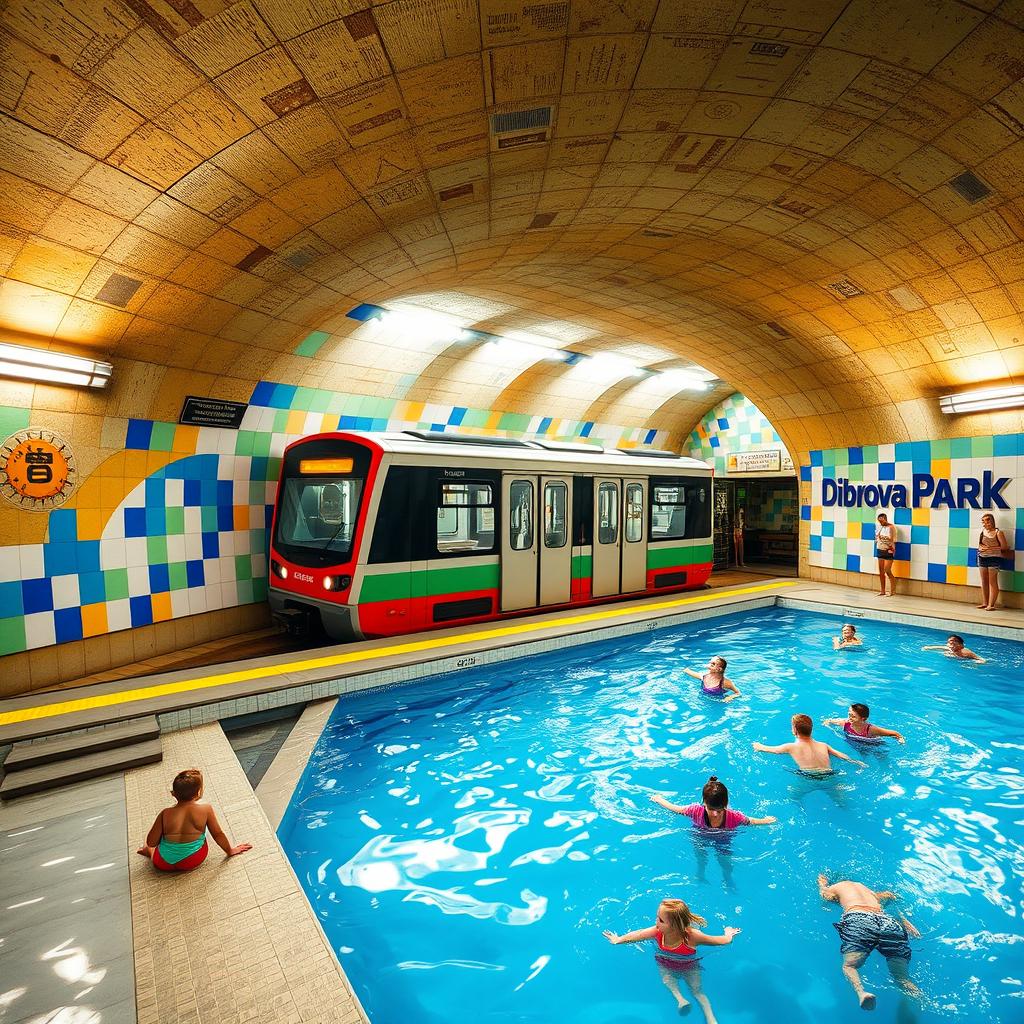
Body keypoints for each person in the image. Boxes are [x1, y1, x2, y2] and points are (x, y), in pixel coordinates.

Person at [603, 897, 740, 1023]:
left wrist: (728, 933)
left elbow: (721, 941)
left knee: (697, 990)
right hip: (665, 963)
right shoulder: (657, 931)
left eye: (661, 920)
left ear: (675, 926)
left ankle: (710, 1017)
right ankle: (680, 999)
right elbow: (637, 935)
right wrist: (618, 940)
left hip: (689, 965)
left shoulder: (692, 936)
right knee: (668, 981)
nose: (656, 921)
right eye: (657, 917)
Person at [817, 873, 921, 1010]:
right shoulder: (868, 890)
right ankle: (918, 997)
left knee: (850, 966)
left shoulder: (836, 887)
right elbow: (890, 896)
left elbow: (825, 897)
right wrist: (903, 920)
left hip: (859, 918)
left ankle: (862, 993)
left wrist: (822, 885)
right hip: (888, 921)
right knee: (902, 978)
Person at [137, 768, 252, 871]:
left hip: (163, 863)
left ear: (173, 794)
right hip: (192, 860)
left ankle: (148, 852)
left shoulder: (164, 813)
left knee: (151, 845)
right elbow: (218, 834)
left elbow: (151, 841)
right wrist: (230, 851)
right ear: (198, 793)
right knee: (203, 831)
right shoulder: (206, 809)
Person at [752, 714, 866, 771]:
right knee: (838, 798)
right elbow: (841, 755)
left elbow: (772, 750)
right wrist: (856, 762)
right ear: (811, 729)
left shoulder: (790, 747)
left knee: (794, 795)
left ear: (794, 730)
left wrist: (758, 746)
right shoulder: (823, 745)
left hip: (809, 776)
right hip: (829, 774)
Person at [650, 775, 777, 827]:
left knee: (725, 863)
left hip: (723, 840)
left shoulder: (734, 817)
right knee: (701, 859)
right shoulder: (695, 810)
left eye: (719, 810)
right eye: (711, 809)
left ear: (726, 805)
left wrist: (766, 821)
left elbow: (750, 821)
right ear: (704, 803)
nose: (715, 814)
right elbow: (675, 808)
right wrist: (659, 799)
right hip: (700, 836)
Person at [823, 703, 905, 744]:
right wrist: (826, 723)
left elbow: (895, 733)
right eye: (849, 714)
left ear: (863, 719)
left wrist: (900, 739)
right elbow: (829, 720)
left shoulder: (871, 729)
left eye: (853, 716)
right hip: (856, 745)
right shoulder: (844, 723)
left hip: (874, 745)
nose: (850, 718)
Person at [976, 512, 1009, 610]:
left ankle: (991, 604)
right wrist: (982, 549)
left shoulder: (998, 532)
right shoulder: (983, 532)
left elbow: (1004, 547)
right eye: (983, 521)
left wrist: (991, 548)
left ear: (992, 521)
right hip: (982, 557)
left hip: (994, 559)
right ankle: (985, 603)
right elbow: (980, 544)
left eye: (987, 521)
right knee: (984, 581)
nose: (985, 523)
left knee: (992, 582)